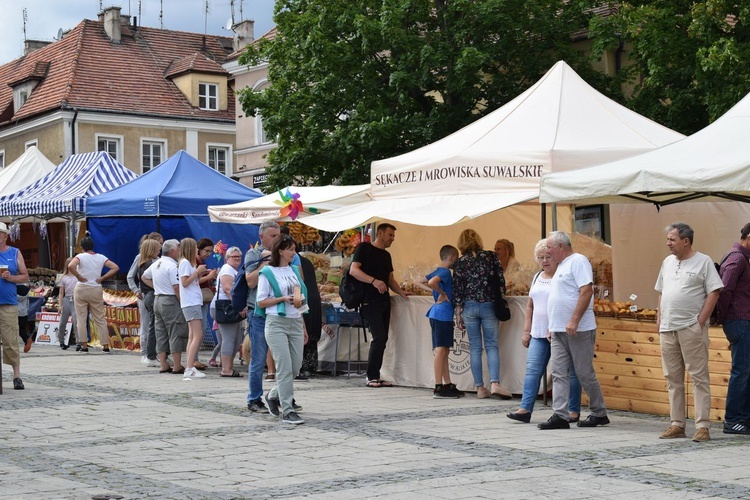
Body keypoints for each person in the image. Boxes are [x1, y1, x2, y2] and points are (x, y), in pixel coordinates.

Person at [656, 222, 722, 442]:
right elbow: (661, 292)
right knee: (672, 378)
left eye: (672, 239)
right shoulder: (667, 262)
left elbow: (714, 292)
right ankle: (677, 424)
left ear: (686, 241)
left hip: (690, 328)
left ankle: (702, 426)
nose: (668, 243)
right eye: (668, 239)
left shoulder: (703, 261)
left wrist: (700, 321)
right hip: (668, 328)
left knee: (698, 377)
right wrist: (659, 321)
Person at [538, 231, 609, 430]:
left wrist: (575, 319)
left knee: (584, 372)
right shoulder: (560, 266)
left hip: (578, 329)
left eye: (550, 247)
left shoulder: (578, 261)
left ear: (560, 246)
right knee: (558, 372)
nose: (547, 251)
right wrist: (553, 325)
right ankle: (560, 414)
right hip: (559, 329)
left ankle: (599, 412)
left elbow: (586, 291)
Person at [507, 239, 582, 423]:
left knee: (569, 372)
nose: (544, 261)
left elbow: (569, 303)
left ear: (556, 257)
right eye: (540, 257)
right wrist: (527, 331)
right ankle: (525, 409)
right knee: (532, 370)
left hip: (559, 330)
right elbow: (530, 305)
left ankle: (573, 410)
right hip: (538, 332)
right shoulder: (536, 277)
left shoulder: (563, 276)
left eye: (548, 256)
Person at [349, 223, 410, 388]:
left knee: (383, 339)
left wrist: (401, 292)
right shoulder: (364, 249)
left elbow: (390, 279)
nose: (392, 239)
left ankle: (376, 374)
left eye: (394, 236)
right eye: (390, 235)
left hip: (384, 301)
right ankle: (371, 376)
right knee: (379, 337)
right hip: (369, 301)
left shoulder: (386, 255)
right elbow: (354, 271)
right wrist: (374, 281)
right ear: (380, 233)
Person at [453, 229, 511, 399]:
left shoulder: (460, 262)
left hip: (469, 307)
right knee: (492, 345)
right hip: (489, 304)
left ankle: (480, 388)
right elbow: (501, 280)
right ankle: (494, 383)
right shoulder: (491, 256)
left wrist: (458, 312)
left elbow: (457, 289)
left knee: (475, 348)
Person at [258, 234, 309, 424]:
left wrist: (303, 325)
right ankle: (287, 410)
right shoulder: (267, 272)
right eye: (291, 249)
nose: (294, 253)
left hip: (295, 321)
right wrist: (281, 299)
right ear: (280, 250)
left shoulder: (294, 270)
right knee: (285, 368)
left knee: (295, 367)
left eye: (294, 249)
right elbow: (261, 302)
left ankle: (272, 395)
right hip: (276, 323)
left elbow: (299, 298)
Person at [416, 244, 463, 399]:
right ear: (451, 257)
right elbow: (431, 283)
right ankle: (438, 386)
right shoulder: (445, 272)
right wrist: (442, 293)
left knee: (444, 350)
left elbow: (418, 282)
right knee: (441, 350)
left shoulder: (437, 270)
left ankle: (447, 383)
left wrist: (436, 292)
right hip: (442, 314)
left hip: (438, 314)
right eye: (456, 257)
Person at [717, 223, 750, 435]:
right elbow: (724, 289)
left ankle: (744, 418)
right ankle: (733, 420)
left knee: (746, 370)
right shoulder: (737, 258)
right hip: (738, 321)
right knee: (742, 370)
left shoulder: (743, 257)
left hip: (742, 320)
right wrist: (721, 317)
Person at [245, 221, 282, 412]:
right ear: (262, 237)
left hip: (277, 311)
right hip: (258, 313)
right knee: (259, 357)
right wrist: (265, 263)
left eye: (278, 236)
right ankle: (254, 399)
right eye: (273, 236)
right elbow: (250, 281)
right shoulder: (253, 254)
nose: (277, 240)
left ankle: (282, 396)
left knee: (284, 358)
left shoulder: (282, 254)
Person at [141, 239, 187, 374]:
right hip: (170, 300)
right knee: (175, 331)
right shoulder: (172, 266)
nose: (180, 251)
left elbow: (144, 277)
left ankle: (163, 364)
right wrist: (182, 303)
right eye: (178, 249)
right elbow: (176, 287)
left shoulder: (157, 263)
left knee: (160, 332)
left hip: (157, 299)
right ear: (172, 251)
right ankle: (177, 365)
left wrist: (157, 287)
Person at [68, 233, 119, 353]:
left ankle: (84, 345)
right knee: (100, 318)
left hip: (81, 288)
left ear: (82, 247)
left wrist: (79, 276)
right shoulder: (101, 257)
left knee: (81, 318)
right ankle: (105, 345)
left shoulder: (80, 256)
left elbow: (71, 265)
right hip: (96, 287)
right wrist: (102, 278)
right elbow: (115, 267)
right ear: (92, 246)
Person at [0, 222, 29, 389]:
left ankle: (16, 376)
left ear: (5, 236)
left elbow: (25, 276)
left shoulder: (14, 253)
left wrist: (11, 278)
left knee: (10, 340)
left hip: (8, 303)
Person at [127, 232, 162, 364]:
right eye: (159, 243)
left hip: (153, 294)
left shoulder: (158, 260)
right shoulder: (140, 258)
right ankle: (145, 351)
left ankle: (155, 352)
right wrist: (135, 290)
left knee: (154, 324)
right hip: (144, 293)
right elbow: (131, 276)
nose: (161, 246)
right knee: (147, 323)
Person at [213, 246, 246, 377]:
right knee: (229, 339)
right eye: (234, 256)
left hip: (229, 306)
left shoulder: (233, 270)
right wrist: (240, 306)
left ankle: (228, 366)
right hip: (225, 306)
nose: (237, 258)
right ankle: (226, 369)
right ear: (227, 259)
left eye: (239, 256)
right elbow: (228, 289)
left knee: (236, 339)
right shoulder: (227, 269)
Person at [179, 237, 209, 380]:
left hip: (192, 301)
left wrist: (199, 273)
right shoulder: (185, 263)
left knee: (193, 335)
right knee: (198, 334)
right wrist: (197, 272)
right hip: (191, 302)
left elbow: (191, 281)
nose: (198, 249)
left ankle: (189, 366)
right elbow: (185, 283)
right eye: (195, 247)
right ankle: (189, 368)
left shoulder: (187, 264)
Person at [135, 239, 161, 366]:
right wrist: (156, 286)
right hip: (150, 295)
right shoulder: (149, 264)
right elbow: (144, 278)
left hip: (148, 295)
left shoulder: (143, 263)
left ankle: (152, 354)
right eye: (157, 249)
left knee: (152, 325)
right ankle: (151, 355)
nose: (159, 251)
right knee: (153, 326)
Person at [195, 237, 218, 371]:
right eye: (207, 251)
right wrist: (208, 277)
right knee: (199, 329)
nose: (208, 254)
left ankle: (195, 358)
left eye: (210, 251)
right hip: (198, 297)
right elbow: (193, 280)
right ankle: (194, 358)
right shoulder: (195, 262)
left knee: (201, 329)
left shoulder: (200, 261)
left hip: (202, 297)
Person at [299, 252, 322, 378]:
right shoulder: (306, 261)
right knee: (311, 333)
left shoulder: (293, 263)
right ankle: (310, 365)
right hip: (312, 300)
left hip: (304, 299)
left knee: (305, 333)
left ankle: (303, 366)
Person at [57, 257, 78, 350]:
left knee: (76, 321)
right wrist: (60, 305)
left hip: (76, 299)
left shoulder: (78, 276)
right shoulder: (63, 277)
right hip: (66, 299)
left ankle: (79, 342)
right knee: (62, 322)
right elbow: (61, 293)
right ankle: (61, 341)